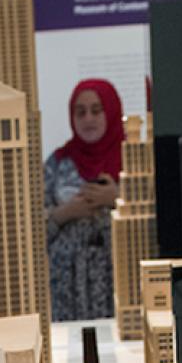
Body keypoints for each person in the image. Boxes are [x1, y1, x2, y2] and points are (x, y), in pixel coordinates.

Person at [44, 79, 125, 321]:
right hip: (66, 286)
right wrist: (66, 212)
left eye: (96, 110)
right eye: (80, 112)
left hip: (119, 280)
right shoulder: (57, 163)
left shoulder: (133, 159)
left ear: (111, 111)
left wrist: (117, 199)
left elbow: (156, 222)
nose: (88, 119)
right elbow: (29, 234)